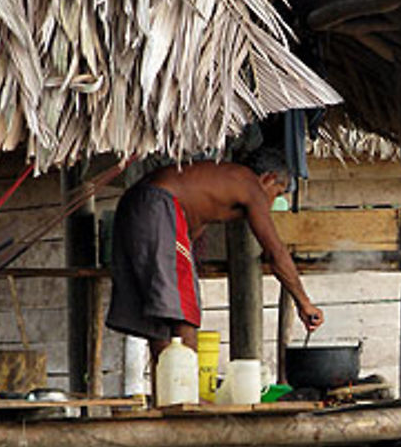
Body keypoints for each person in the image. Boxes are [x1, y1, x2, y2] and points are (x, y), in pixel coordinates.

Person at [106, 148, 324, 358]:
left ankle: (168, 388)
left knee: (162, 306)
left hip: (132, 205)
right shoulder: (250, 185)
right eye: (278, 193)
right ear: (269, 178)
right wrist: (304, 303)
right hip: (157, 205)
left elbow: (189, 233)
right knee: (182, 303)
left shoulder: (218, 184)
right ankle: (187, 390)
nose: (273, 203)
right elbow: (275, 252)